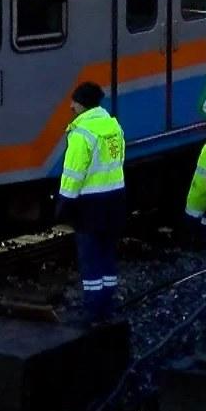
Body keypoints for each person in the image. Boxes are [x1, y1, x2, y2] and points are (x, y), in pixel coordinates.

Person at [55, 82, 126, 326]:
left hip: (90, 205)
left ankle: (93, 310)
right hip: (115, 198)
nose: (70, 105)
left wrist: (64, 202)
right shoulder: (112, 125)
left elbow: (73, 172)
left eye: (73, 101)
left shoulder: (81, 132)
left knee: (90, 257)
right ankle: (107, 304)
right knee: (107, 254)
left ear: (82, 104)